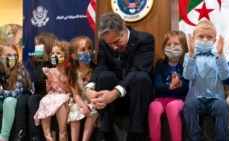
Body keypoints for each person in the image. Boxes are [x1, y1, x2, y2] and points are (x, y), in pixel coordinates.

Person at [84, 12, 155, 141]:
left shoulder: (145, 40)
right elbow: (101, 66)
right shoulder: (104, 43)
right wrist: (88, 88)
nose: (114, 47)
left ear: (124, 30)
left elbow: (136, 70)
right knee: (105, 76)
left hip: (137, 98)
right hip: (113, 101)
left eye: (117, 41)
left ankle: (136, 135)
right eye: (109, 44)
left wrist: (114, 93)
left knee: (141, 78)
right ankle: (106, 133)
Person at [182, 20, 229, 141]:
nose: (205, 40)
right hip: (195, 98)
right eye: (201, 36)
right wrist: (192, 54)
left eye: (209, 37)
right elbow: (187, 76)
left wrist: (220, 55)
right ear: (194, 39)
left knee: (223, 107)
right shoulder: (189, 55)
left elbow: (225, 76)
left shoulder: (218, 56)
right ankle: (196, 138)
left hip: (215, 98)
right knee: (189, 105)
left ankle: (221, 138)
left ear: (214, 40)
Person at [148, 31, 189, 141]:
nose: (172, 47)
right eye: (168, 44)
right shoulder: (160, 64)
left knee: (172, 107)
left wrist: (180, 84)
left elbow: (188, 87)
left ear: (183, 46)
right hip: (161, 99)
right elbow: (157, 85)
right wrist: (169, 86)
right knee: (153, 107)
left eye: (176, 44)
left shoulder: (186, 64)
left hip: (178, 99)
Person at [21, 32, 58, 141]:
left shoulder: (55, 61)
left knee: (34, 99)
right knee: (31, 99)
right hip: (39, 94)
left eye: (39, 45)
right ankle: (35, 136)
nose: (36, 48)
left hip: (52, 94)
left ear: (47, 45)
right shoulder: (36, 62)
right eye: (35, 45)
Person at [34, 40, 71, 141]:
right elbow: (48, 90)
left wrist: (57, 80)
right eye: (53, 53)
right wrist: (48, 86)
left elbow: (69, 89)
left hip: (64, 95)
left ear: (66, 55)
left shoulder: (69, 71)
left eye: (58, 53)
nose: (55, 55)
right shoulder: (51, 71)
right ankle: (48, 135)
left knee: (59, 104)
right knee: (43, 102)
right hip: (52, 94)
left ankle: (63, 134)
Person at [66, 36, 98, 141]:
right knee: (74, 110)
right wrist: (83, 105)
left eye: (89, 48)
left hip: (93, 101)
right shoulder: (73, 73)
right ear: (74, 56)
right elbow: (75, 95)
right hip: (79, 101)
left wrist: (89, 105)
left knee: (92, 110)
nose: (87, 52)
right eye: (83, 50)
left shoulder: (96, 70)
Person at [0, 42, 32, 141]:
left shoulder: (19, 68)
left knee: (9, 101)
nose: (12, 58)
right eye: (8, 55)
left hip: (21, 99)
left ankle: (4, 137)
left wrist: (1, 93)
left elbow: (16, 93)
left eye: (14, 55)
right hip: (6, 97)